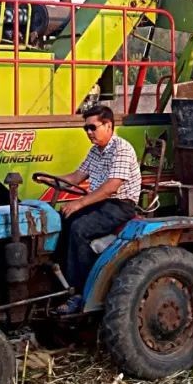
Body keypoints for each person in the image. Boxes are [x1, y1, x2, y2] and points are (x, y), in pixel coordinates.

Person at [53, 105, 142, 315]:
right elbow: (77, 176)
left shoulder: (121, 149)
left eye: (92, 127)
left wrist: (79, 203)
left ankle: (81, 292)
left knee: (79, 228)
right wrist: (52, 179)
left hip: (120, 205)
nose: (89, 133)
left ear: (108, 125)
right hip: (102, 203)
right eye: (86, 129)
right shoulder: (95, 151)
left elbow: (111, 187)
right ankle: (60, 280)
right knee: (61, 220)